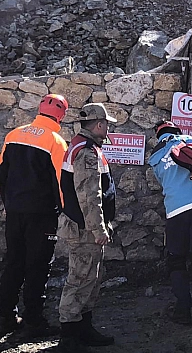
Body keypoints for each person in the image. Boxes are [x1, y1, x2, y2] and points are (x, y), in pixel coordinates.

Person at [0, 94, 68, 337]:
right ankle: (34, 321)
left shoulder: (13, 135)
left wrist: (8, 203)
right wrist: (65, 211)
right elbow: (61, 183)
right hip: (41, 215)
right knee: (38, 267)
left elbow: (2, 173)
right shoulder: (56, 142)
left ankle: (6, 316)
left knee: (14, 263)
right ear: (62, 115)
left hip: (15, 211)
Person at [57, 103, 117, 352]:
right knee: (80, 278)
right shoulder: (86, 152)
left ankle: (83, 329)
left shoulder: (83, 147)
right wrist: (98, 229)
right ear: (99, 125)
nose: (107, 129)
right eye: (106, 125)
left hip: (84, 228)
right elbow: (89, 196)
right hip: (84, 230)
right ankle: (70, 335)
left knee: (90, 278)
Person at [148, 120, 192, 329]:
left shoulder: (155, 158)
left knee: (176, 260)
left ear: (159, 136)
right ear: (177, 131)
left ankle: (183, 309)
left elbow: (163, 183)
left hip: (175, 209)